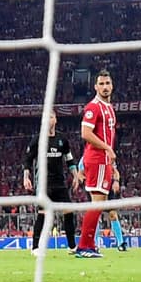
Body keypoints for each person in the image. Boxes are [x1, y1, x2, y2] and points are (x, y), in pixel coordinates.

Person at [22, 110, 81, 254]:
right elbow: (28, 160)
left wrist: (75, 176)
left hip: (60, 183)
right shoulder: (37, 139)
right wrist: (26, 177)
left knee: (69, 211)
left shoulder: (62, 139)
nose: (49, 120)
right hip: (44, 183)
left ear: (56, 120)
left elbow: (69, 159)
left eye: (51, 117)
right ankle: (35, 247)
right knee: (43, 213)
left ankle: (72, 246)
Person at [75, 70, 117, 259]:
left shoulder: (109, 107)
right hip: (97, 159)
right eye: (101, 84)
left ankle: (89, 245)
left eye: (107, 83)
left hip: (104, 160)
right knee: (97, 204)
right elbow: (85, 133)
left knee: (99, 204)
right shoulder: (93, 107)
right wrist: (107, 148)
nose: (105, 87)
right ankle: (84, 246)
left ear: (112, 86)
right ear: (95, 87)